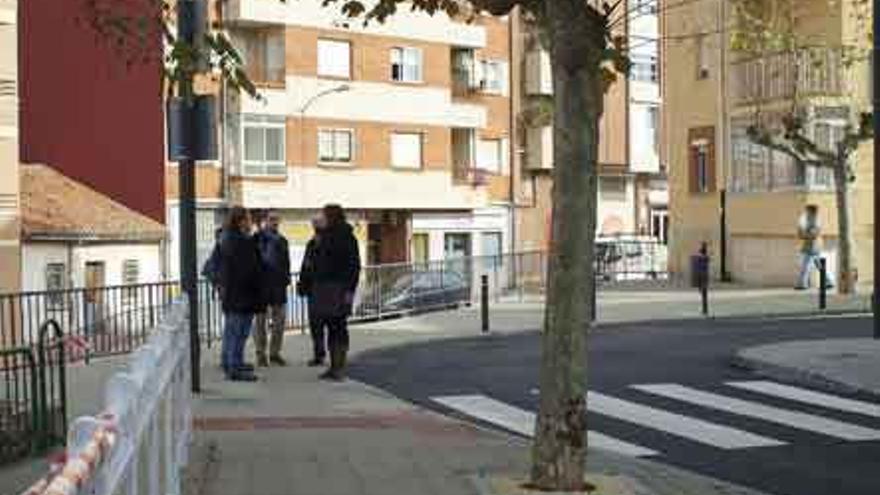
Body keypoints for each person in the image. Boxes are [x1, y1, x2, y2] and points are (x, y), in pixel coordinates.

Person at [309, 204, 360, 381]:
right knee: (332, 325)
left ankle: (339, 367)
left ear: (331, 217)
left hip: (338, 288)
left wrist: (350, 290)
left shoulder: (346, 237)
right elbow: (318, 262)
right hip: (326, 287)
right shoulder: (325, 236)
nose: (321, 218)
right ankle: (334, 366)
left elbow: (354, 266)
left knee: (338, 326)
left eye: (323, 215)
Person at [218, 206, 264, 382]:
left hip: (233, 293)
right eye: (248, 219)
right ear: (241, 221)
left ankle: (229, 361)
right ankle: (234, 367)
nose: (251, 222)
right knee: (239, 331)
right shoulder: (238, 241)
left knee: (232, 329)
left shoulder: (228, 237)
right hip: (241, 294)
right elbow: (248, 268)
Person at [253, 211, 291, 367]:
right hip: (261, 286)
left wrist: (286, 279)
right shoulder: (257, 238)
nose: (274, 222)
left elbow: (286, 262)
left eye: (277, 219)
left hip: (278, 286)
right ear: (265, 221)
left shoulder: (282, 241)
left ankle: (275, 353)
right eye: (271, 219)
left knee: (279, 322)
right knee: (260, 323)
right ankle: (260, 354)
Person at [297, 214, 326, 367]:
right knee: (315, 324)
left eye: (318, 223)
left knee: (330, 323)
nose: (315, 227)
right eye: (314, 224)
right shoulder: (311, 244)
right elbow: (305, 265)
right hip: (313, 289)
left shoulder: (330, 243)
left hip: (328, 290)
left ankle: (332, 356)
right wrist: (302, 284)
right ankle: (319, 354)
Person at [795, 205, 833, 290]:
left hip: (812, 246)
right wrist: (802, 232)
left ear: (811, 211)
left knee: (805, 265)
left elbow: (813, 234)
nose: (806, 212)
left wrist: (803, 234)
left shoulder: (815, 221)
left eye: (807, 211)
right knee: (817, 265)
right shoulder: (809, 220)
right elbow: (803, 233)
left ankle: (802, 284)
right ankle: (829, 281)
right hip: (812, 246)